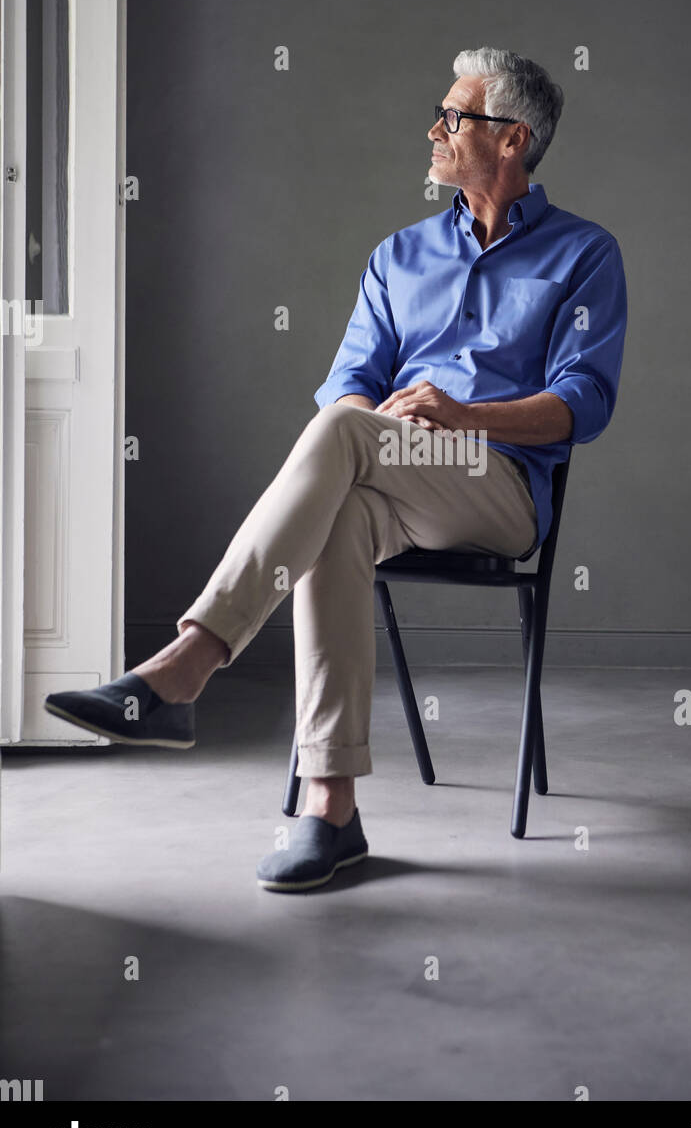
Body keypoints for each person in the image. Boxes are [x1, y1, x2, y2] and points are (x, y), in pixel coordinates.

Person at [44, 46, 627, 893]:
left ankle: (185, 667)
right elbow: (351, 383)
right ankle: (331, 811)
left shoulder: (585, 254)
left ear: (513, 139)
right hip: (391, 475)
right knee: (340, 501)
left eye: (454, 116)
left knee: (340, 439)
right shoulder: (400, 256)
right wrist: (381, 423)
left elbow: (586, 402)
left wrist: (461, 415)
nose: (435, 129)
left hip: (500, 487)